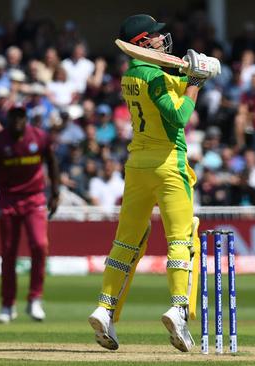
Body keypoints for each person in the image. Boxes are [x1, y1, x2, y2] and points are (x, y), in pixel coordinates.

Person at [88, 14, 220, 352]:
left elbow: (163, 79)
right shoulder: (155, 77)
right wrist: (194, 84)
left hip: (137, 167)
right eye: (157, 36)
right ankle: (178, 309)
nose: (164, 39)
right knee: (181, 237)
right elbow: (178, 115)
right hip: (168, 164)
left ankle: (105, 308)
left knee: (126, 242)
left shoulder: (131, 75)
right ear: (143, 43)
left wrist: (193, 72)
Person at [0, 105, 60, 324]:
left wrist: (56, 193)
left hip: (35, 198)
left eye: (21, 117)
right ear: (7, 119)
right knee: (8, 253)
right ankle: (7, 304)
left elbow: (52, 163)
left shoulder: (40, 137)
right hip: (8, 199)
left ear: (27, 118)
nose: (18, 121)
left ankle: (35, 299)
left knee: (40, 245)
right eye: (14, 117)